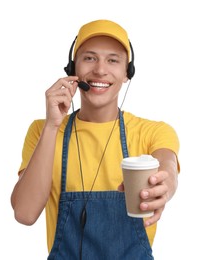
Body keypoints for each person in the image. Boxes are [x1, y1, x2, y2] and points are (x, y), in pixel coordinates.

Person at [11, 19, 180, 259]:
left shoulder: (153, 132)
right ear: (73, 69)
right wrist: (52, 126)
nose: (100, 70)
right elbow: (25, 214)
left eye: (113, 60)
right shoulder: (42, 131)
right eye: (89, 58)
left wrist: (164, 187)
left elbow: (168, 166)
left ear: (126, 73)